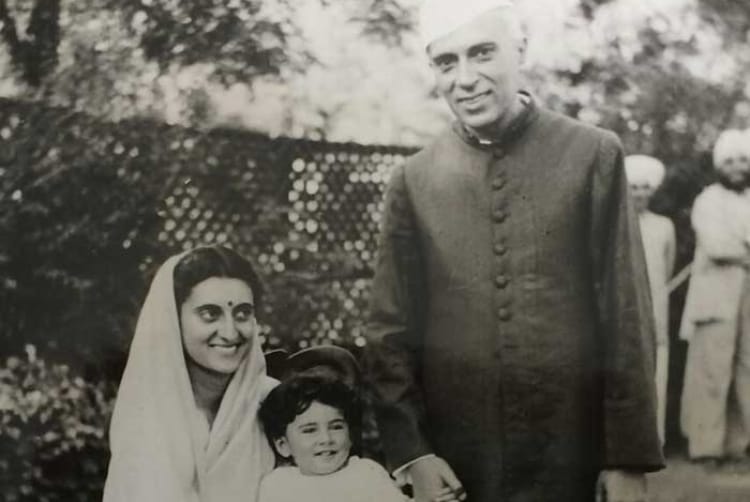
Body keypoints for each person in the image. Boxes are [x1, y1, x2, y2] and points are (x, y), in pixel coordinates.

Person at [364, 1, 664, 501]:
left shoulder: (593, 155)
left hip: (573, 451)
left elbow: (625, 315)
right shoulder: (413, 179)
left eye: (482, 54)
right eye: (446, 61)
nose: (465, 78)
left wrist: (627, 457)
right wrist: (412, 451)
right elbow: (389, 329)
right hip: (457, 462)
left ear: (520, 51)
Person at [103, 245, 277, 502]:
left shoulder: (277, 404)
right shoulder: (146, 422)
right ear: (173, 320)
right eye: (210, 314)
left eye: (242, 314)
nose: (230, 332)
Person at [679, 129, 750, 462]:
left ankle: (738, 445)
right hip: (716, 295)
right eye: (731, 161)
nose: (737, 167)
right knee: (711, 369)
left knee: (747, 367)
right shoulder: (707, 199)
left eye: (743, 160)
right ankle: (705, 447)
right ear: (720, 165)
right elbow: (719, 246)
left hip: (747, 295)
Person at [257, 374, 406, 502]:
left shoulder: (366, 473)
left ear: (350, 435)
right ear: (284, 446)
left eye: (336, 427)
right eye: (310, 430)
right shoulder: (278, 484)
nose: (326, 439)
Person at [625, 154, 677, 444]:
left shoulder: (664, 225)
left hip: (656, 304)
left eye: (645, 187)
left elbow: (666, 270)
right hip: (626, 306)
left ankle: (654, 440)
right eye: (633, 187)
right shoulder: (614, 225)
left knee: (658, 364)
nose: (640, 193)